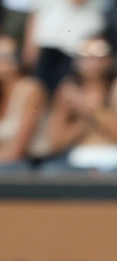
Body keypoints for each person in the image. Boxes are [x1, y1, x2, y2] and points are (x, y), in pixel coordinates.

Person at [44, 36, 117, 171]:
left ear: (109, 59)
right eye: (85, 55)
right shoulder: (67, 91)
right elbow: (55, 143)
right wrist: (84, 119)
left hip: (113, 158)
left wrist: (91, 110)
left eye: (99, 54)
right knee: (51, 171)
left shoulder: (114, 88)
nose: (92, 61)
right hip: (77, 160)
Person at [0, 35, 49, 168]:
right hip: (1, 163)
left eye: (9, 55)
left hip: (31, 164)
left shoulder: (30, 89)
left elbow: (19, 149)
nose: (1, 60)